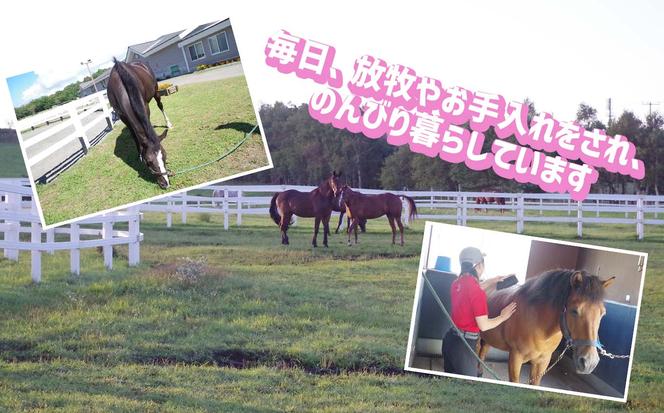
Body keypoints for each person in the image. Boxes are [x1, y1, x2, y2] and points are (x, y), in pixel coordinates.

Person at [442, 246, 517, 376]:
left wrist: (492, 281)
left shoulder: (456, 283)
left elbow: (472, 289)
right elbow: (484, 325)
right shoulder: (477, 292)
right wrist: (502, 316)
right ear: (478, 266)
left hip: (449, 340)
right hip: (464, 346)